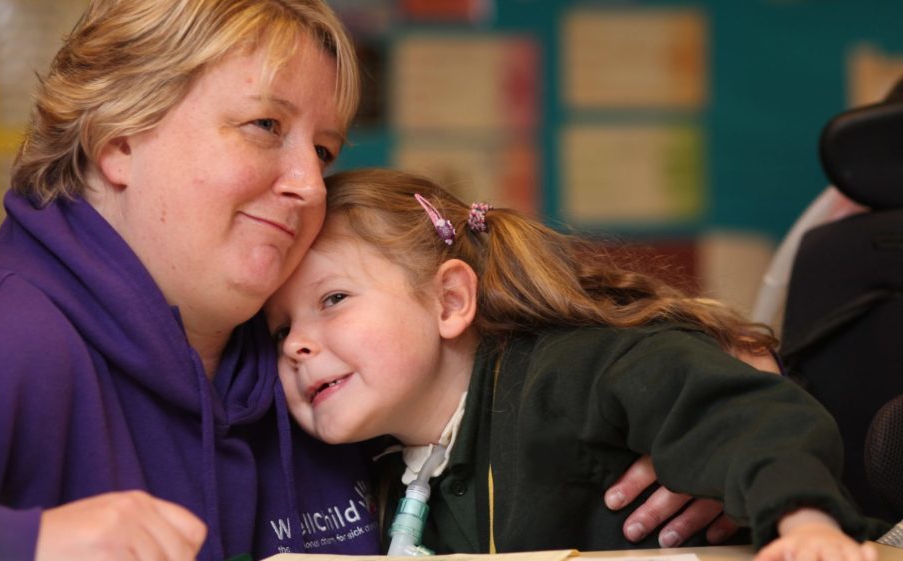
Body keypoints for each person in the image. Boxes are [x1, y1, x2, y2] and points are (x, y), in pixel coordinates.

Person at [263, 168, 889, 560]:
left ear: (450, 301)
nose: (295, 345)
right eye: (281, 329)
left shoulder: (579, 369)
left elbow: (746, 415)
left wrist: (805, 523)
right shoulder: (390, 473)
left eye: (334, 300)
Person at [0, 1, 378, 560]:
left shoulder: (324, 363)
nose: (312, 186)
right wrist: (22, 545)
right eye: (265, 126)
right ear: (118, 139)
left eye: (323, 152)